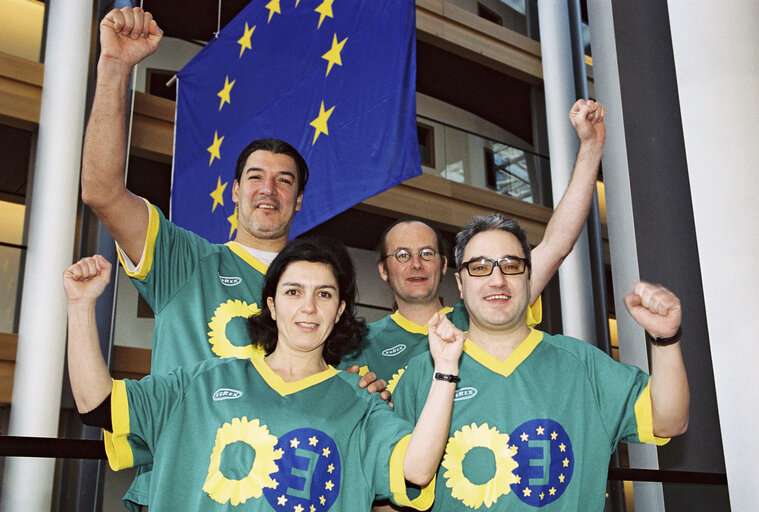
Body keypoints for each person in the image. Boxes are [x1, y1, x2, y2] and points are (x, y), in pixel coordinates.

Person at [80, 7, 384, 509]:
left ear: (300, 200)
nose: (269, 189)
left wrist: (365, 383)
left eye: (285, 181)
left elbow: (349, 403)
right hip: (178, 489)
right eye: (256, 177)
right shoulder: (184, 260)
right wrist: (114, 69)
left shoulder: (324, 299)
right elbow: (102, 191)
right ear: (233, 192)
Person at [64, 239, 466, 511]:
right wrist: (81, 308)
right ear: (272, 305)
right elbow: (96, 405)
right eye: (294, 292)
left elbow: (416, 468)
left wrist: (446, 370)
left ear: (340, 310)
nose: (308, 307)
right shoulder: (200, 383)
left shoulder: (360, 405)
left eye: (324, 294)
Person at [393, 214, 690, 510]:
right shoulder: (424, 374)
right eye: (480, 267)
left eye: (511, 266)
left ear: (529, 276)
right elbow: (396, 492)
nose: (497, 279)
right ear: (460, 283)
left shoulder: (581, 365)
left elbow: (668, 421)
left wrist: (665, 340)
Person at [342, 99, 607, 391]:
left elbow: (556, 245)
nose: (416, 263)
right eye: (403, 255)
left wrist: (591, 147)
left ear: (445, 266)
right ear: (383, 269)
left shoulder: (487, 310)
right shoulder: (358, 344)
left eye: (427, 253)